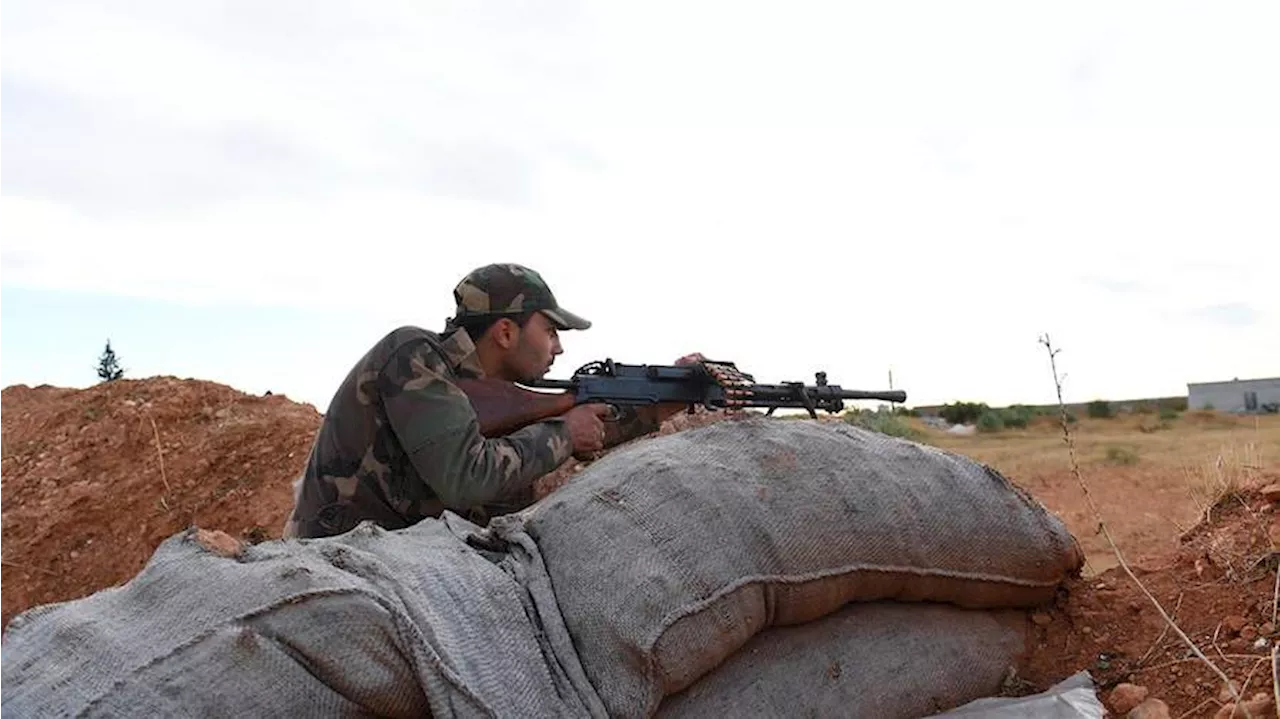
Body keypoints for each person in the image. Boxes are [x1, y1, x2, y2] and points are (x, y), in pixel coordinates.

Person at [283, 263, 699, 539]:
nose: (558, 349)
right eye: (551, 332)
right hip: (340, 564)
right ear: (505, 332)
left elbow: (588, 424)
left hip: (405, 568)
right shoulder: (413, 356)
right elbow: (465, 475)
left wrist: (672, 396)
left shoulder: (504, 394)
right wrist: (565, 434)